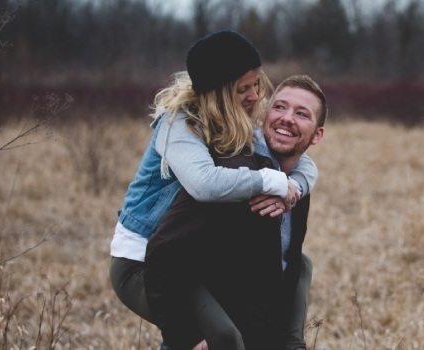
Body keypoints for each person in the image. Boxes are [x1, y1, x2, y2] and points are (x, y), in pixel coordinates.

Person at [108, 31, 317, 350]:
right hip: (143, 260)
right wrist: (269, 181)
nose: (254, 96)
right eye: (242, 89)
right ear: (218, 93)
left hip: (188, 256)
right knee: (220, 339)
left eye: (256, 84)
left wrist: (293, 189)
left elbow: (299, 161)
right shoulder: (180, 124)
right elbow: (204, 183)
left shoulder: (237, 117)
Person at [145, 74, 327, 350]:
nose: (287, 118)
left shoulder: (297, 182)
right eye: (279, 107)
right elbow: (164, 251)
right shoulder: (233, 173)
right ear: (265, 114)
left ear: (317, 135)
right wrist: (183, 335)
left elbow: (283, 266)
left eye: (301, 114)